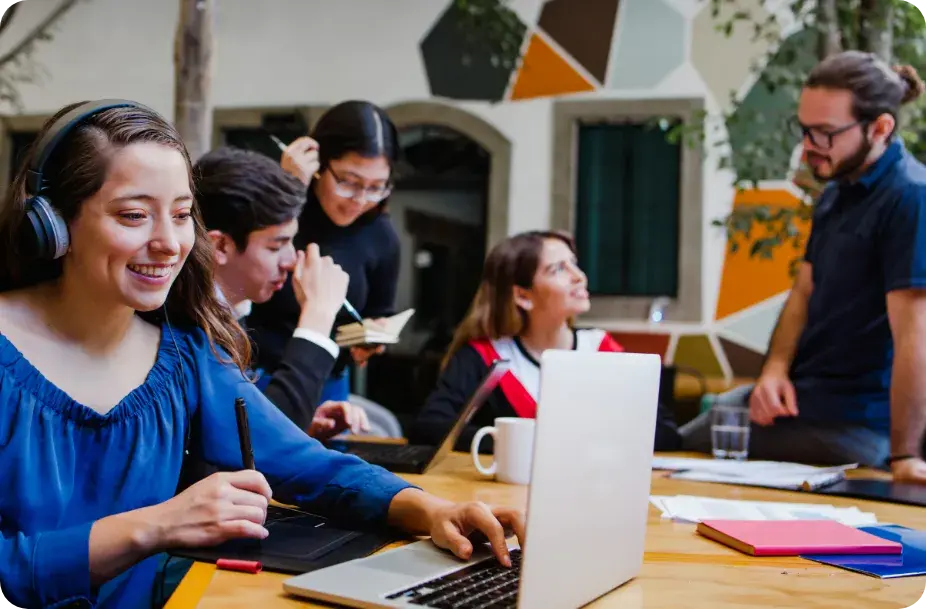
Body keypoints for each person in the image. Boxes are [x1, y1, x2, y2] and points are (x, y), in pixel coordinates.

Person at [0, 100, 524, 609]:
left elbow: (306, 466)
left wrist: (432, 509)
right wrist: (156, 525)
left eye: (182, 215)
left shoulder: (181, 355)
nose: (168, 242)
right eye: (134, 215)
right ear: (52, 223)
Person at [680, 51, 926, 481]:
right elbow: (803, 292)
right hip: (806, 404)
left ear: (881, 127)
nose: (808, 146)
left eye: (825, 133)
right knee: (714, 421)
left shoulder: (910, 196)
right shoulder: (836, 191)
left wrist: (905, 456)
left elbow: (914, 335)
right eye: (804, 130)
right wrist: (774, 370)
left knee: (684, 440)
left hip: (859, 428)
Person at [410, 230, 682, 452]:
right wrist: (519, 441)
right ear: (523, 297)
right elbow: (430, 427)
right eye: (558, 269)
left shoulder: (601, 349)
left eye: (574, 263)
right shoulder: (486, 356)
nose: (579, 276)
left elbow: (666, 432)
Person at [194, 145, 368, 439]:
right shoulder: (185, 324)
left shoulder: (231, 313)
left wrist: (300, 423)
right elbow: (260, 443)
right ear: (221, 246)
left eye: (292, 242)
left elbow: (241, 428)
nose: (291, 261)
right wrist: (317, 317)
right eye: (276, 246)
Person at [247, 101, 401, 403]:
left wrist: (373, 334)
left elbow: (379, 310)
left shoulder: (381, 236)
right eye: (348, 181)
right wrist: (288, 189)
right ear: (318, 163)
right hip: (252, 377)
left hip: (329, 384)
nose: (359, 200)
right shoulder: (277, 209)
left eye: (376, 187)